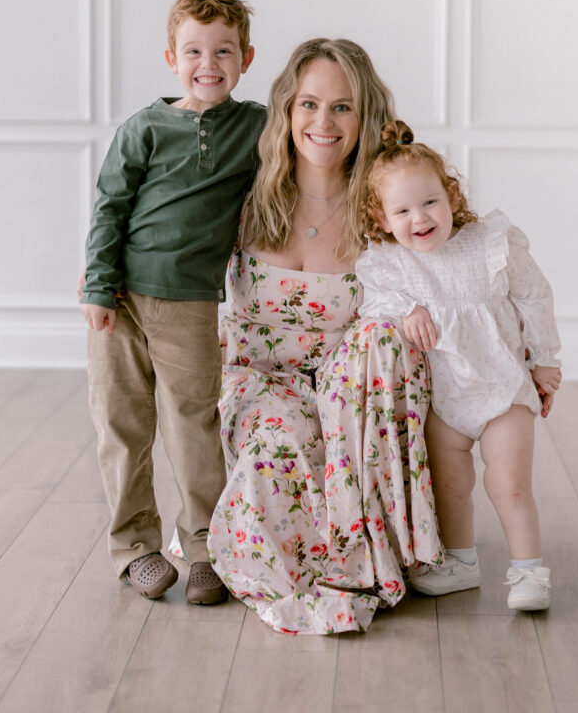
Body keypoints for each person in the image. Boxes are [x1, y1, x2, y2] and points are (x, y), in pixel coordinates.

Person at [179, 39, 443, 634]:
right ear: (287, 109)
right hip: (257, 379)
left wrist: (527, 353)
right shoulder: (245, 189)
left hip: (350, 390)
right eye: (309, 104)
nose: (324, 122)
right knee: (283, 442)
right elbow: (169, 234)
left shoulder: (386, 204)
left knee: (384, 338)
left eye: (342, 107)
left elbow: (456, 262)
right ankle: (280, 565)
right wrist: (109, 273)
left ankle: (378, 551)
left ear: (365, 115)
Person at [79, 0, 266, 603]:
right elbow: (109, 207)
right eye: (193, 51)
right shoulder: (145, 128)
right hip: (120, 300)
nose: (208, 64)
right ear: (171, 58)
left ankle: (207, 548)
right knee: (122, 424)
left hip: (189, 304)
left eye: (224, 51)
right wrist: (98, 285)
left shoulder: (256, 127)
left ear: (246, 58)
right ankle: (135, 548)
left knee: (194, 426)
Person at [357, 119, 562, 611]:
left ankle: (528, 571)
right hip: (444, 399)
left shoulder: (490, 242)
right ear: (382, 218)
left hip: (503, 391)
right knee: (449, 486)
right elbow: (372, 302)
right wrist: (409, 308)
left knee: (507, 483)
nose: (420, 218)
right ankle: (461, 561)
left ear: (451, 195)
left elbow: (534, 297)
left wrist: (544, 361)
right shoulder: (390, 262)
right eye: (402, 210)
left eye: (429, 202)